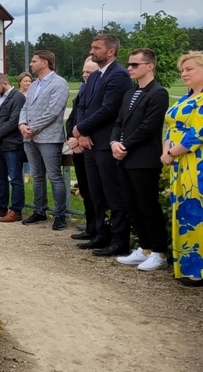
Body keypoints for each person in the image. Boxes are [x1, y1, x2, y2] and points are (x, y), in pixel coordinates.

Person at [72, 34, 134, 255]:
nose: (91, 51)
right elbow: (83, 105)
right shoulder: (96, 75)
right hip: (90, 144)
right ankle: (101, 233)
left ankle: (119, 239)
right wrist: (81, 132)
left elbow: (108, 110)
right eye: (91, 46)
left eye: (96, 47)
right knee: (95, 192)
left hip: (106, 144)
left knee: (112, 193)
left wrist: (82, 129)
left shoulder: (119, 76)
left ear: (111, 51)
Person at [111, 49, 169, 272]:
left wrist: (125, 145)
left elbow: (148, 127)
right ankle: (144, 248)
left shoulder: (158, 93)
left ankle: (158, 251)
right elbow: (119, 121)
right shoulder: (130, 93)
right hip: (124, 158)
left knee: (147, 205)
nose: (130, 68)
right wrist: (114, 142)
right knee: (131, 205)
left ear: (150, 66)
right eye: (129, 64)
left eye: (135, 65)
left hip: (144, 159)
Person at [162, 51, 203, 286]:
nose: (183, 73)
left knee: (196, 212)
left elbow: (197, 134)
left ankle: (198, 270)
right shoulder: (184, 99)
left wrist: (171, 153)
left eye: (190, 69)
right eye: (182, 70)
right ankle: (185, 266)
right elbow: (170, 126)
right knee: (182, 210)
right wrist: (166, 150)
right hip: (179, 164)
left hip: (197, 163)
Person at [19, 50, 71, 231]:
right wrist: (22, 124)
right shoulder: (33, 85)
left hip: (49, 137)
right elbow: (24, 107)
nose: (31, 64)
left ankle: (60, 215)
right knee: (37, 176)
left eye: (34, 61)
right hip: (29, 137)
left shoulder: (59, 84)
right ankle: (39, 210)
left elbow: (53, 111)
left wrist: (32, 128)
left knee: (55, 177)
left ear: (45, 63)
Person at [0, 72, 26, 222]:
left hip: (12, 144)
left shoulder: (17, 97)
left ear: (4, 83)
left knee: (15, 178)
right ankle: (1, 206)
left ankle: (16, 210)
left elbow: (14, 121)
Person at [66, 59, 101, 241]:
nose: (85, 75)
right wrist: (71, 138)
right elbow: (72, 118)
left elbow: (100, 118)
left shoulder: (99, 92)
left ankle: (99, 228)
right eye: (84, 72)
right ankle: (90, 225)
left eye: (90, 72)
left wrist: (81, 137)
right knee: (86, 190)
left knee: (96, 191)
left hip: (92, 146)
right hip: (78, 148)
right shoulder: (82, 91)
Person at [16, 71, 34, 183]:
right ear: (19, 82)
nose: (27, 83)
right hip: (18, 124)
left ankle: (27, 173)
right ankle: (20, 171)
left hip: (29, 125)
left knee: (28, 149)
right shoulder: (17, 95)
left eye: (29, 81)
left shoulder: (33, 94)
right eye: (25, 81)